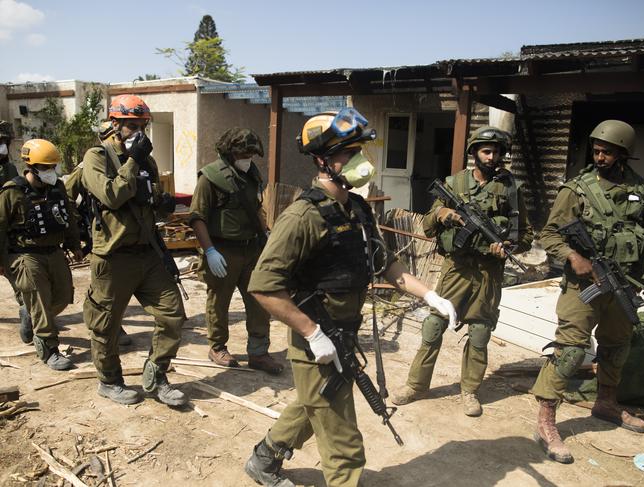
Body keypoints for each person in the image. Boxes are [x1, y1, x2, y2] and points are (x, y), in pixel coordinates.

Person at [243, 108, 456, 487]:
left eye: (360, 151)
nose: (361, 160)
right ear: (323, 160)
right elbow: (263, 285)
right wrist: (311, 333)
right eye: (349, 152)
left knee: (315, 404)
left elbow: (385, 263)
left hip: (342, 335)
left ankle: (263, 460)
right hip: (317, 343)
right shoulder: (303, 216)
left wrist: (431, 296)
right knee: (345, 450)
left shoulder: (357, 209)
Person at [392, 126, 533, 416]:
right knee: (433, 326)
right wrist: (444, 214)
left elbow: (526, 235)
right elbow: (429, 225)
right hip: (456, 268)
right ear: (474, 153)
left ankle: (469, 391)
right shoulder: (454, 184)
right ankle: (416, 386)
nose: (492, 157)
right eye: (486, 151)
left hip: (488, 272)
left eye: (497, 152)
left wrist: (509, 246)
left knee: (480, 332)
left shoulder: (511, 190)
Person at [531, 120, 644, 464]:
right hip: (585, 285)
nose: (599, 156)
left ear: (623, 154)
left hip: (623, 284)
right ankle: (545, 421)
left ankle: (606, 402)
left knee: (617, 347)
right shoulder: (577, 190)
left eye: (607, 151)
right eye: (596, 150)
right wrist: (572, 256)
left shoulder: (641, 190)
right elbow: (550, 233)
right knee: (569, 350)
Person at [81, 94, 186, 406]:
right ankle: (109, 380)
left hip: (148, 252)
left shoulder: (147, 161)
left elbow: (153, 201)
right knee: (106, 324)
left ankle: (157, 373)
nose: (138, 131)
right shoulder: (97, 156)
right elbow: (111, 195)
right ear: (115, 124)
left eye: (142, 125)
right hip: (113, 256)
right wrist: (133, 161)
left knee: (172, 313)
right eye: (131, 125)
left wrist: (163, 204)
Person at [189, 128, 282, 374]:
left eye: (252, 155)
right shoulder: (209, 178)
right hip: (223, 250)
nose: (248, 159)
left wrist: (267, 234)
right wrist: (209, 251)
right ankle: (217, 347)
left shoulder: (251, 174)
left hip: (252, 249)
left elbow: (256, 208)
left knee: (260, 301)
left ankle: (259, 352)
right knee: (219, 302)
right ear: (230, 153)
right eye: (244, 154)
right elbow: (197, 218)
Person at [0, 139, 83, 370]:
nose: (51, 172)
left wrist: (75, 245)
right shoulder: (12, 192)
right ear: (32, 167)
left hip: (54, 251)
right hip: (25, 254)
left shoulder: (57, 188)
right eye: (46, 167)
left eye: (53, 166)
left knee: (64, 294)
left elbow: (68, 218)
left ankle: (29, 312)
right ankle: (48, 348)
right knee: (40, 299)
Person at [64, 121, 131, 346]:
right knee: (102, 285)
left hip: (121, 232)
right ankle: (108, 326)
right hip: (98, 230)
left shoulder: (127, 160)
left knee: (119, 283)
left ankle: (112, 322)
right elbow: (67, 196)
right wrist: (76, 224)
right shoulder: (90, 164)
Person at [0, 120, 33, 341]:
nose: (2, 147)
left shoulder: (10, 168)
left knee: (14, 273)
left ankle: (27, 309)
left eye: (4, 142)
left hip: (5, 231)